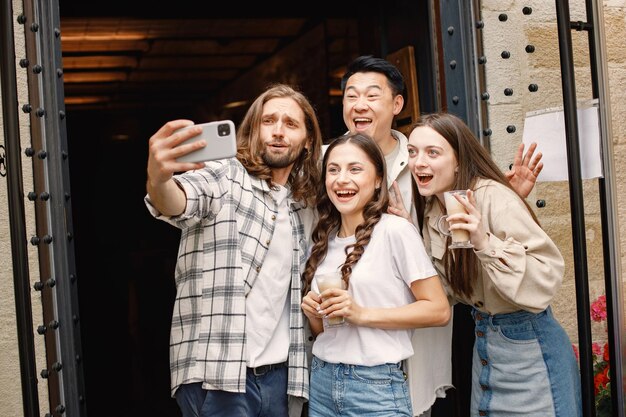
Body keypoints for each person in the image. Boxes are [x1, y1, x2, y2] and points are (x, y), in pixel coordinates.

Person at [338, 55, 544, 417]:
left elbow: (453, 255)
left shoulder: (429, 163)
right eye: (351, 96)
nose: (360, 105)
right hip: (352, 343)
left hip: (437, 336)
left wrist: (502, 208)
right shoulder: (330, 163)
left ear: (397, 103)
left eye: (372, 95)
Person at [144, 83, 323, 417]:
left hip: (283, 378)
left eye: (291, 124)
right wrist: (158, 179)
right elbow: (178, 201)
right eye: (269, 121)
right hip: (218, 376)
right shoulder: (224, 175)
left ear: (308, 140)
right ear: (253, 130)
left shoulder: (305, 204)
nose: (279, 131)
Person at [393, 112, 582, 417]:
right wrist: (407, 238)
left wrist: (484, 241)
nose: (418, 162)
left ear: (458, 160)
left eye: (432, 152)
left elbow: (546, 277)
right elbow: (445, 292)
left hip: (529, 346)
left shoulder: (494, 197)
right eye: (412, 152)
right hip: (485, 347)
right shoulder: (433, 211)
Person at [300, 132, 451, 417]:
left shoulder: (395, 231)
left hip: (375, 387)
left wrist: (361, 313)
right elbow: (326, 331)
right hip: (321, 382)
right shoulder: (323, 239)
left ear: (379, 179)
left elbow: (439, 310)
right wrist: (314, 315)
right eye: (333, 170)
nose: (341, 179)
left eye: (355, 169)